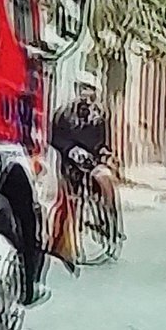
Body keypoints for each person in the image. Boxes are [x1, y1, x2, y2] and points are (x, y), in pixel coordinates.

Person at [50, 71, 121, 238]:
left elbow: (105, 140)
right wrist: (71, 150)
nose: (85, 94)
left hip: (93, 161)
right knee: (70, 196)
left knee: (105, 180)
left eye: (90, 90)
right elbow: (55, 138)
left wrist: (105, 152)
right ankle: (67, 233)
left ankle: (110, 220)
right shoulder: (64, 114)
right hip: (70, 162)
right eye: (82, 89)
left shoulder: (100, 116)